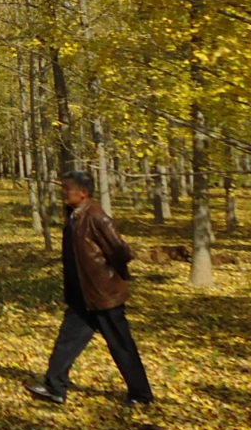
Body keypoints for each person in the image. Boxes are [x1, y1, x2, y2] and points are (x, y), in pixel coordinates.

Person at [27, 170, 155, 406]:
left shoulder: (96, 217)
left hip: (104, 296)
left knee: (121, 345)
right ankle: (55, 388)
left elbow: (121, 251)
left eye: (68, 189)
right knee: (67, 341)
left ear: (83, 193)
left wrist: (109, 277)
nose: (64, 192)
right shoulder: (74, 215)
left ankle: (141, 395)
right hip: (82, 296)